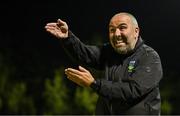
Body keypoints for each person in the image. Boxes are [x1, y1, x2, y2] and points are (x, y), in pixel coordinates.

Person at [45, 12, 163, 115]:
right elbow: (85, 54)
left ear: (136, 31)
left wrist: (95, 84)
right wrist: (67, 38)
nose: (116, 34)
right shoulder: (109, 52)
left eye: (122, 28)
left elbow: (133, 90)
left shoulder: (149, 57)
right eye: (112, 30)